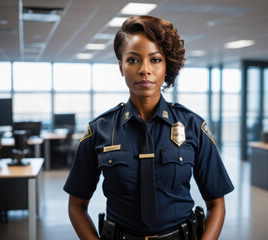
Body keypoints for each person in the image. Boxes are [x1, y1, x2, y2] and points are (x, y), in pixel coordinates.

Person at [63, 15, 234, 240]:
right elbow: (76, 206)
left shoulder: (193, 126)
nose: (145, 70)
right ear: (121, 67)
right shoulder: (99, 131)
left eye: (155, 60)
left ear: (166, 65)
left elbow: (216, 204)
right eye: (133, 60)